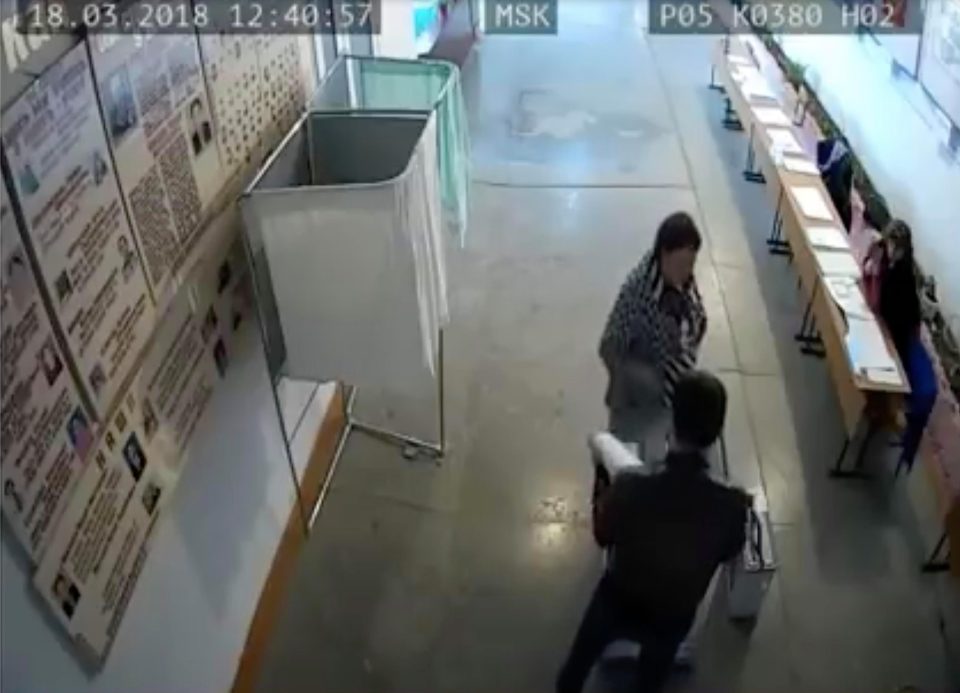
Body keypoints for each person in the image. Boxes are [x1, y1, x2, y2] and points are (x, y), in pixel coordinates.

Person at [557, 371, 749, 693]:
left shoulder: (632, 485)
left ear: (673, 421)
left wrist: (604, 493)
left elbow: (603, 535)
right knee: (650, 682)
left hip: (618, 600)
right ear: (716, 433)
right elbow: (731, 552)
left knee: (575, 668)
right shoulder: (733, 503)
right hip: (673, 615)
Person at [599, 212, 707, 457]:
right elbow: (608, 346)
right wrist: (641, 379)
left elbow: (694, 313)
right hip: (641, 400)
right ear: (664, 254)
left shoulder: (679, 276)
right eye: (682, 264)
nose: (688, 272)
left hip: (671, 390)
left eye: (691, 264)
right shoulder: (637, 293)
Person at [871, 220, 937, 474]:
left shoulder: (901, 275)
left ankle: (882, 412)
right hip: (896, 331)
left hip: (898, 339)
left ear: (898, 246)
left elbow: (888, 310)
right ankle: (878, 412)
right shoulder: (895, 265)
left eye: (890, 245)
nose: (887, 249)